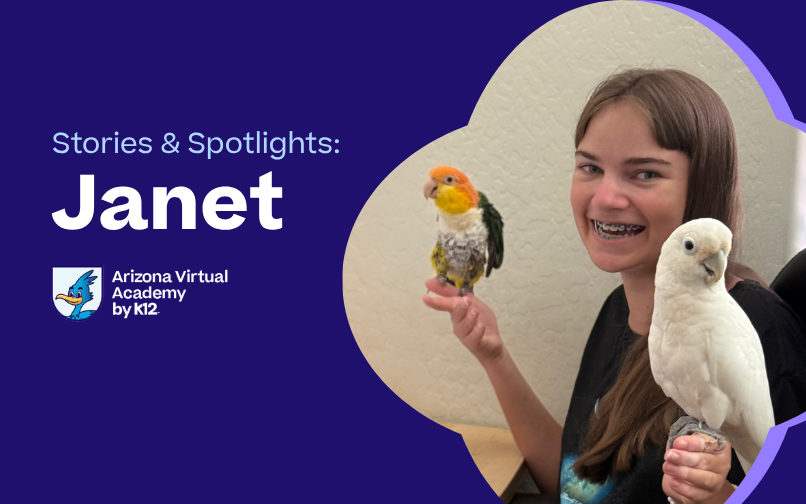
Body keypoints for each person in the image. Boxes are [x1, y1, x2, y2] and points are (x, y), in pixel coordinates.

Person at [423, 69, 806, 504]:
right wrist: (494, 356)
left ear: (702, 187)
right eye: (590, 167)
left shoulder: (760, 332)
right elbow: (577, 487)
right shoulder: (617, 309)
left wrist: (718, 495)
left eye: (644, 174)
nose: (605, 197)